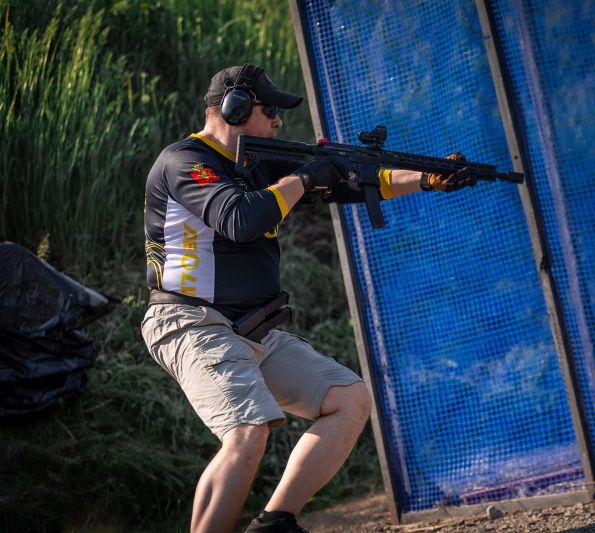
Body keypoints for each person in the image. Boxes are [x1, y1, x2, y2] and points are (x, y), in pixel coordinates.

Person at [140, 63, 472, 533]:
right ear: (235, 108)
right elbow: (239, 219)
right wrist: (303, 178)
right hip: (191, 323)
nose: (278, 121)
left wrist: (426, 178)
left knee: (350, 399)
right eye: (269, 110)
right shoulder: (185, 162)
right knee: (246, 432)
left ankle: (275, 522)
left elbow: (354, 182)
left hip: (251, 329)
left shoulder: (258, 163)